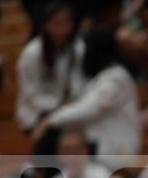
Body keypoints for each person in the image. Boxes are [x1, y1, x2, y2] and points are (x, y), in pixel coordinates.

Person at [30, 27, 140, 159]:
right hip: (98, 143)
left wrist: (51, 120)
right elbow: (80, 101)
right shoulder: (101, 77)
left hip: (116, 150)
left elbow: (89, 108)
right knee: (54, 125)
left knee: (53, 127)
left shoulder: (116, 78)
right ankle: (37, 171)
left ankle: (32, 170)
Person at [14, 1, 83, 151]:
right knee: (50, 133)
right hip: (36, 111)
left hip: (66, 108)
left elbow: (78, 84)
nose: (62, 29)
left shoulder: (77, 47)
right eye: (57, 23)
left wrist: (70, 107)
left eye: (66, 23)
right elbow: (30, 94)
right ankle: (38, 169)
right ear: (46, 25)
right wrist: (56, 110)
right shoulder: (32, 53)